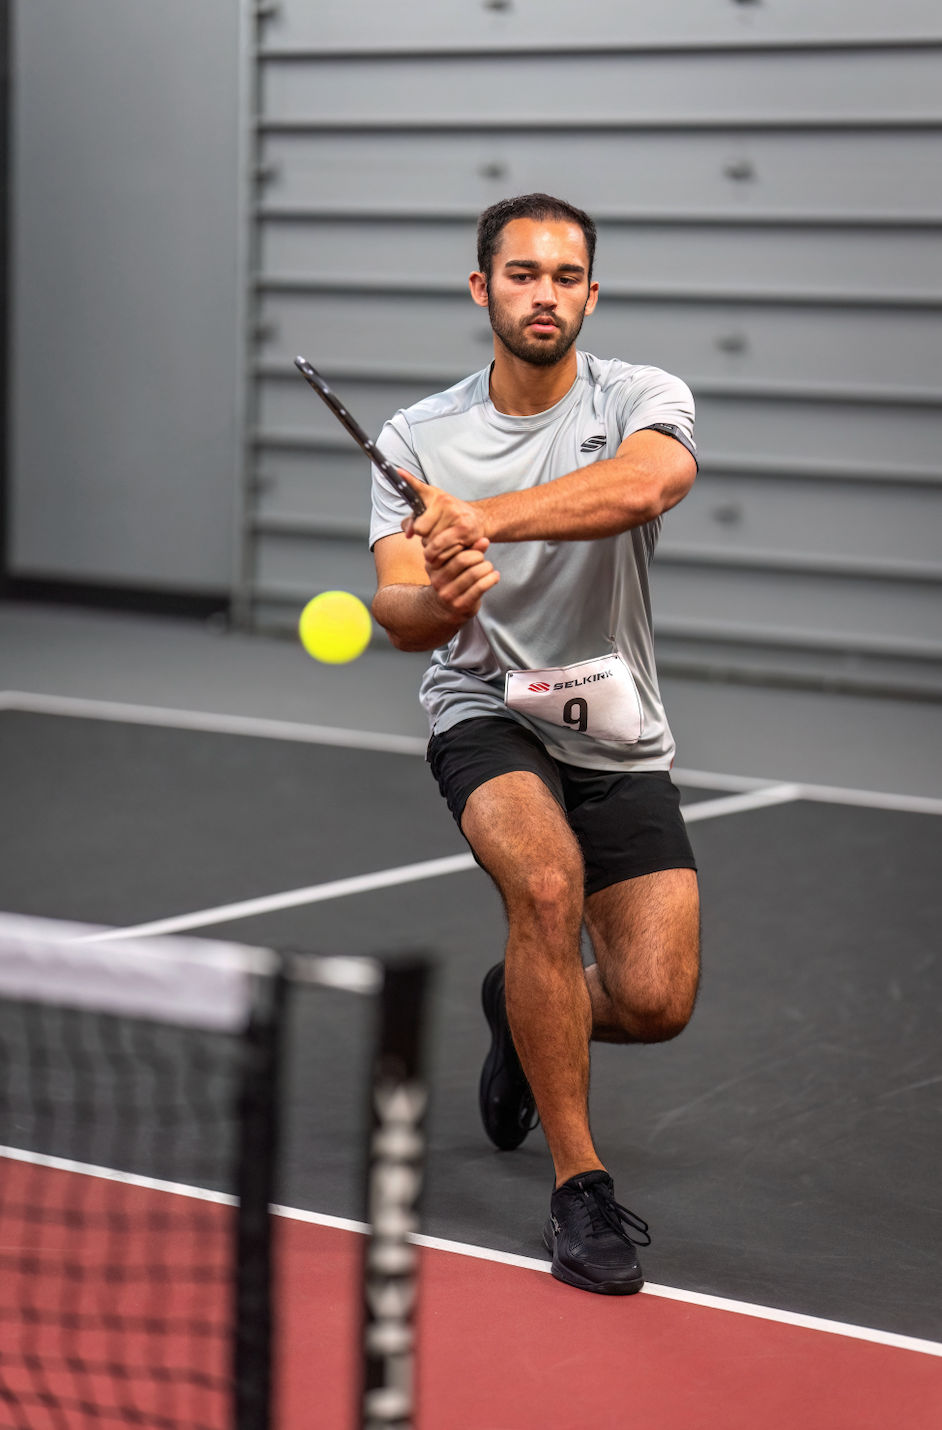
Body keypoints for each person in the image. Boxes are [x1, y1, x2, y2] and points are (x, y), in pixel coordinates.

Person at [369, 193, 700, 1296]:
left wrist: (485, 520)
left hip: (617, 724)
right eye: (521, 274)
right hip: (486, 706)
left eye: (565, 276)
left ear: (591, 295)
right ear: (483, 289)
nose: (543, 293)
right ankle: (580, 1190)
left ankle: (519, 1010)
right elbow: (399, 611)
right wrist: (443, 590)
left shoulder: (642, 396)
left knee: (655, 999)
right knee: (546, 889)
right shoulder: (416, 437)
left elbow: (648, 484)